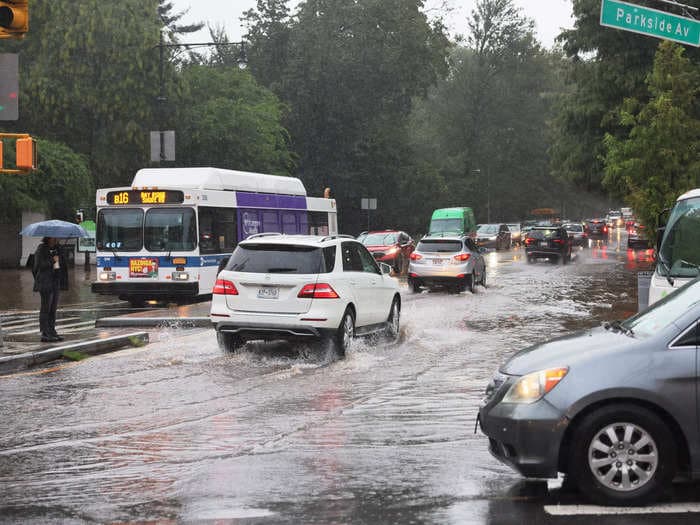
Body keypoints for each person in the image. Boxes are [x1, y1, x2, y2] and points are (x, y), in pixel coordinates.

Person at [32, 237, 69, 342]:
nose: (55, 239)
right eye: (53, 237)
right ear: (48, 238)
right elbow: (39, 265)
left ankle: (52, 331)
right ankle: (45, 333)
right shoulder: (41, 249)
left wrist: (60, 257)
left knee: (53, 308)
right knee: (46, 308)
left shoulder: (58, 248)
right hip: (45, 282)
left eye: (56, 238)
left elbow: (63, 265)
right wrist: (52, 260)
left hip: (55, 282)